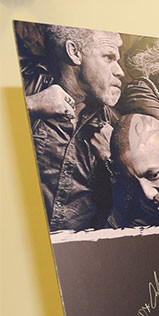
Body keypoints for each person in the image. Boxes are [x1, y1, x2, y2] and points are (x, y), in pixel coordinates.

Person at [24, 24, 124, 231]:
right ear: (74, 52)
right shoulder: (24, 83)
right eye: (108, 57)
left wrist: (114, 160)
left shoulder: (114, 126)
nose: (120, 72)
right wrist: (30, 104)